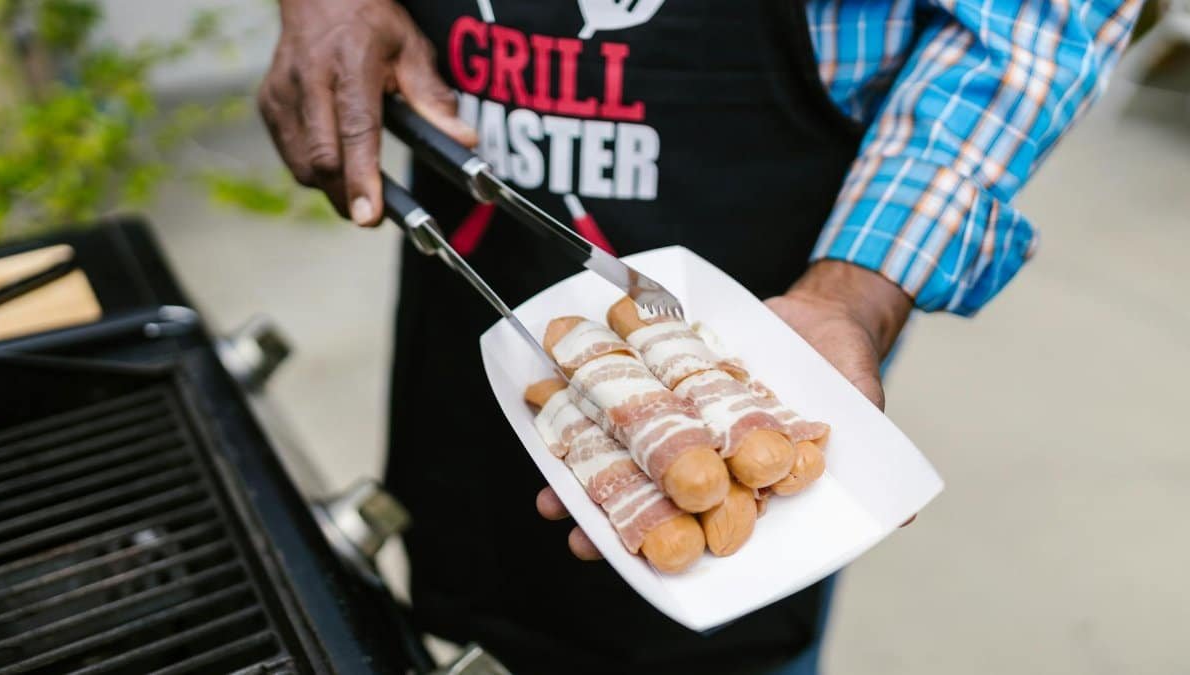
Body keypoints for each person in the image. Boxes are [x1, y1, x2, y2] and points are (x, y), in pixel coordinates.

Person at [258, 1, 1140, 672]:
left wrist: (856, 291)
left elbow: (1034, 24)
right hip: (474, 199)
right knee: (468, 582)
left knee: (722, 624)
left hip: (778, 267)